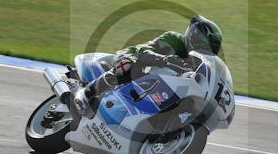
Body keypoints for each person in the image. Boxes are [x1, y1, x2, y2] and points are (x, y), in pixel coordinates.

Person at [73, 15, 223, 116]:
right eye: (205, 45)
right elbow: (144, 51)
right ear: (194, 38)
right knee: (129, 67)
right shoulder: (174, 39)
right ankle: (88, 92)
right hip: (133, 56)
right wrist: (165, 60)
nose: (205, 51)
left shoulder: (198, 63)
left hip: (155, 82)